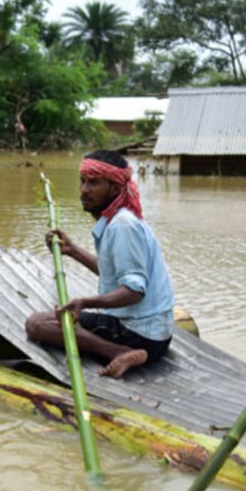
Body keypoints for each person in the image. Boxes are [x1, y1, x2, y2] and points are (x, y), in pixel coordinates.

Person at [24, 149, 176, 379]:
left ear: (114, 188)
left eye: (94, 183)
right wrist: (73, 251)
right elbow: (112, 275)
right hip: (155, 336)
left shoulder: (121, 225)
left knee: (37, 324)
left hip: (139, 336)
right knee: (51, 320)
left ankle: (122, 352)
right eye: (83, 182)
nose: (85, 190)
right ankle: (129, 350)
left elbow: (134, 291)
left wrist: (83, 303)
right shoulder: (118, 220)